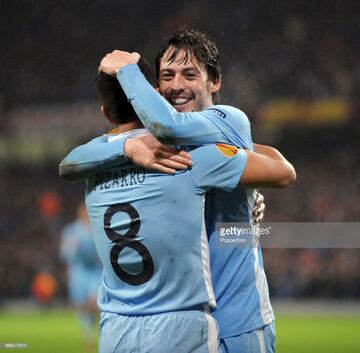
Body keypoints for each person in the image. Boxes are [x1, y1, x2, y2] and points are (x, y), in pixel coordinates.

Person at [60, 58, 294, 352]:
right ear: (154, 97)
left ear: (106, 114)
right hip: (179, 324)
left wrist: (123, 147)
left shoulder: (92, 167)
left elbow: (67, 164)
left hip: (115, 326)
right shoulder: (187, 158)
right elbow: (284, 173)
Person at [59, 202, 102, 347]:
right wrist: (72, 249)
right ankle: (88, 334)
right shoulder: (71, 231)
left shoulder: (97, 228)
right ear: (80, 213)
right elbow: (65, 253)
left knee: (94, 301)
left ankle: (95, 326)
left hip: (95, 270)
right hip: (78, 271)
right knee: (82, 305)